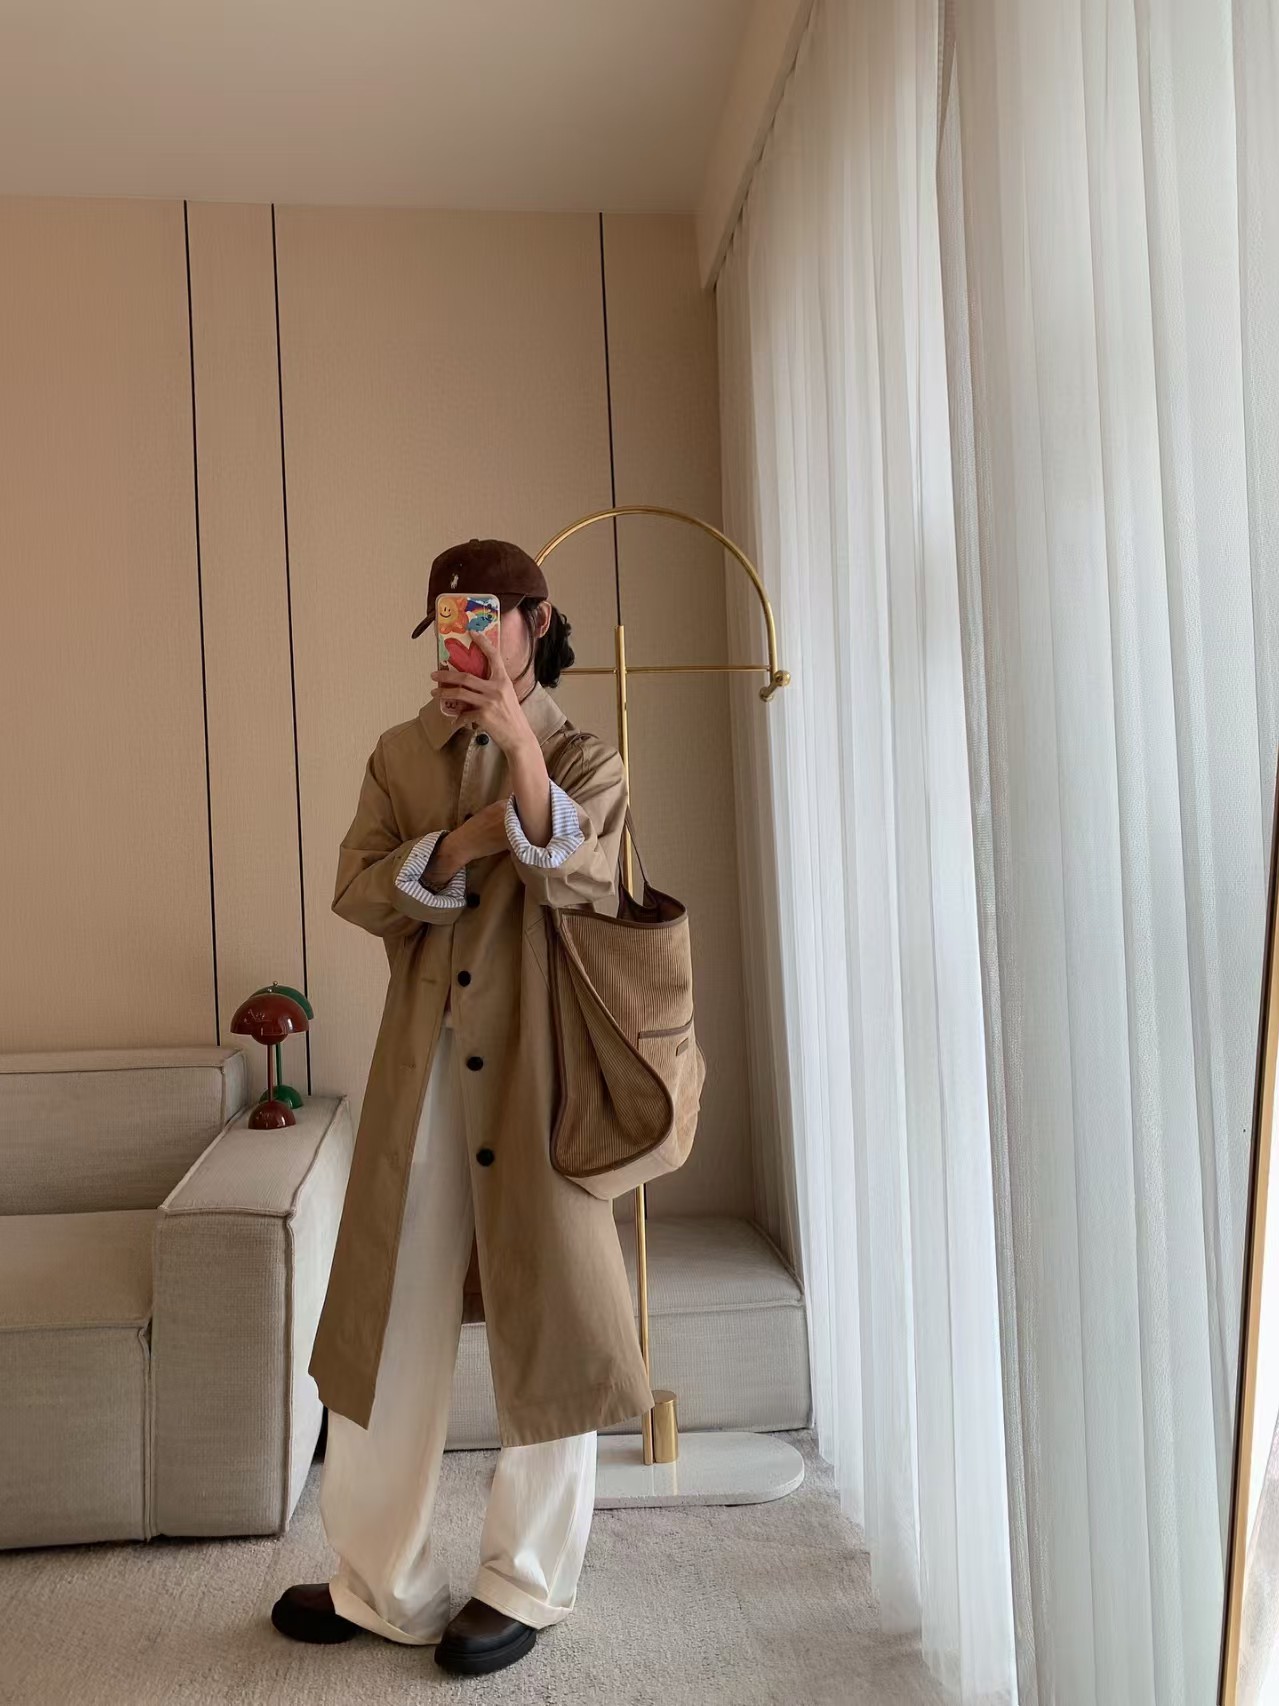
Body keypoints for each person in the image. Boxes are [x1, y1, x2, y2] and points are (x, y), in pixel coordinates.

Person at [270, 537, 653, 1677]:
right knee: (388, 1314)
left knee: (555, 1314)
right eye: (447, 622)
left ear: (536, 620)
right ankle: (378, 1578)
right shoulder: (401, 752)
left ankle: (523, 1580)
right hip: (422, 1066)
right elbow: (358, 888)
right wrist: (465, 838)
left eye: (484, 618)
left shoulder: (586, 757)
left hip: (543, 1071)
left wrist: (518, 750)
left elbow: (580, 878)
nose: (465, 643)